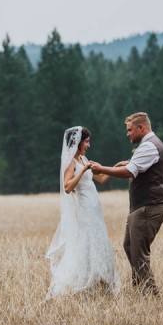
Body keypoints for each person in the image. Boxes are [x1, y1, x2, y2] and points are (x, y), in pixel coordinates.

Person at [90, 112, 163, 296]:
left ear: (141, 128)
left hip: (148, 206)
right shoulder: (153, 145)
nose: (128, 134)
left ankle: (150, 295)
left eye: (130, 130)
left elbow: (130, 172)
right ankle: (141, 288)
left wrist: (101, 168)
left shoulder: (149, 146)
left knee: (139, 251)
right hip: (145, 206)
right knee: (129, 245)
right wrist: (132, 163)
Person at [45, 126, 121, 298]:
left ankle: (100, 282)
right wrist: (83, 170)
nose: (89, 145)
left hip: (94, 208)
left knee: (98, 241)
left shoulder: (84, 158)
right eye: (86, 141)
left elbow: (101, 179)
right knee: (86, 243)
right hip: (84, 210)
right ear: (77, 143)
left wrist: (117, 166)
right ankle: (83, 283)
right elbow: (67, 186)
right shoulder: (71, 162)